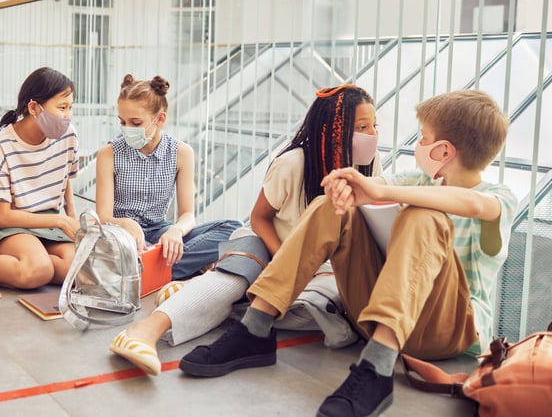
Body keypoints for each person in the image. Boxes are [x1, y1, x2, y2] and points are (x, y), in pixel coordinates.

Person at [179, 89, 517, 417]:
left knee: (423, 214)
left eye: (423, 138)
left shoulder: (499, 196)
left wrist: (385, 191)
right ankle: (255, 328)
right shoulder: (415, 179)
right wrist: (346, 188)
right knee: (331, 206)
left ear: (443, 151)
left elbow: (472, 203)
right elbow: (369, 192)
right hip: (375, 313)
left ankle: (377, 368)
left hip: (447, 331)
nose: (418, 145)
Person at [109, 83, 381, 375]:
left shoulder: (368, 168)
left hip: (319, 269)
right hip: (270, 246)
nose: (373, 135)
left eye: (374, 126)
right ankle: (145, 330)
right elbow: (259, 218)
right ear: (333, 129)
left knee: (319, 309)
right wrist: (285, 260)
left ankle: (196, 291)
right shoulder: (293, 163)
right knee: (234, 279)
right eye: (363, 127)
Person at [95, 74, 242, 284]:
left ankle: (143, 274)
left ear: (160, 119)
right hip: (121, 235)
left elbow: (188, 215)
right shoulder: (108, 153)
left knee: (234, 228)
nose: (127, 129)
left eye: (135, 123)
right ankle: (162, 270)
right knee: (116, 247)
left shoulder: (181, 152)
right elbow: (103, 217)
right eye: (122, 122)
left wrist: (175, 230)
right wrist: (124, 223)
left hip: (159, 232)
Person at [0, 67, 79, 289]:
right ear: (33, 107)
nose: (68, 115)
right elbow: (2, 217)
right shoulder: (1, 143)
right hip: (11, 224)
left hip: (47, 223)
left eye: (70, 108)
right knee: (37, 271)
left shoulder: (69, 136)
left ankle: (14, 264)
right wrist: (60, 221)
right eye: (62, 107)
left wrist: (73, 219)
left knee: (74, 270)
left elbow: (65, 178)